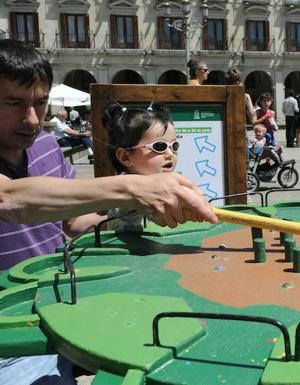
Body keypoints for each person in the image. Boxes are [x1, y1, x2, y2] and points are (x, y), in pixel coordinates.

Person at [0, 38, 217, 385]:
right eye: (14, 103)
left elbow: (72, 223)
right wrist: (132, 186)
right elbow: (10, 199)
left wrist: (128, 210)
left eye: (40, 103)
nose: (31, 118)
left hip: (63, 300)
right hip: (10, 332)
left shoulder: (45, 144)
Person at [101, 101, 180, 232]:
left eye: (174, 146)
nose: (170, 154)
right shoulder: (124, 187)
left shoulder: (163, 182)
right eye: (160, 146)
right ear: (125, 157)